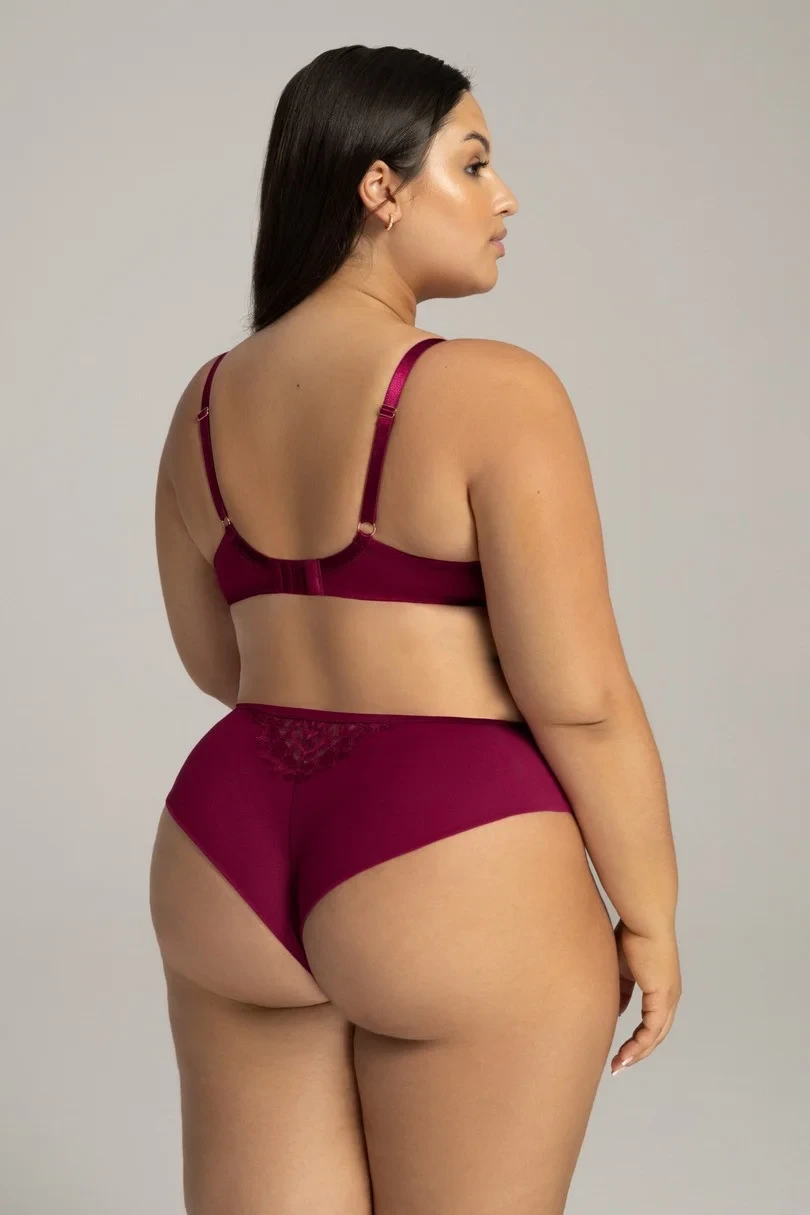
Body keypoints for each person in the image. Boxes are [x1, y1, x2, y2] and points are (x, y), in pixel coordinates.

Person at [149, 43, 681, 1215]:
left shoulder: (204, 404)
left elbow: (217, 663)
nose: (506, 198)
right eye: (474, 163)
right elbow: (578, 697)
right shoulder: (496, 390)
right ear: (379, 187)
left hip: (227, 845)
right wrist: (649, 911)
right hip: (450, 843)